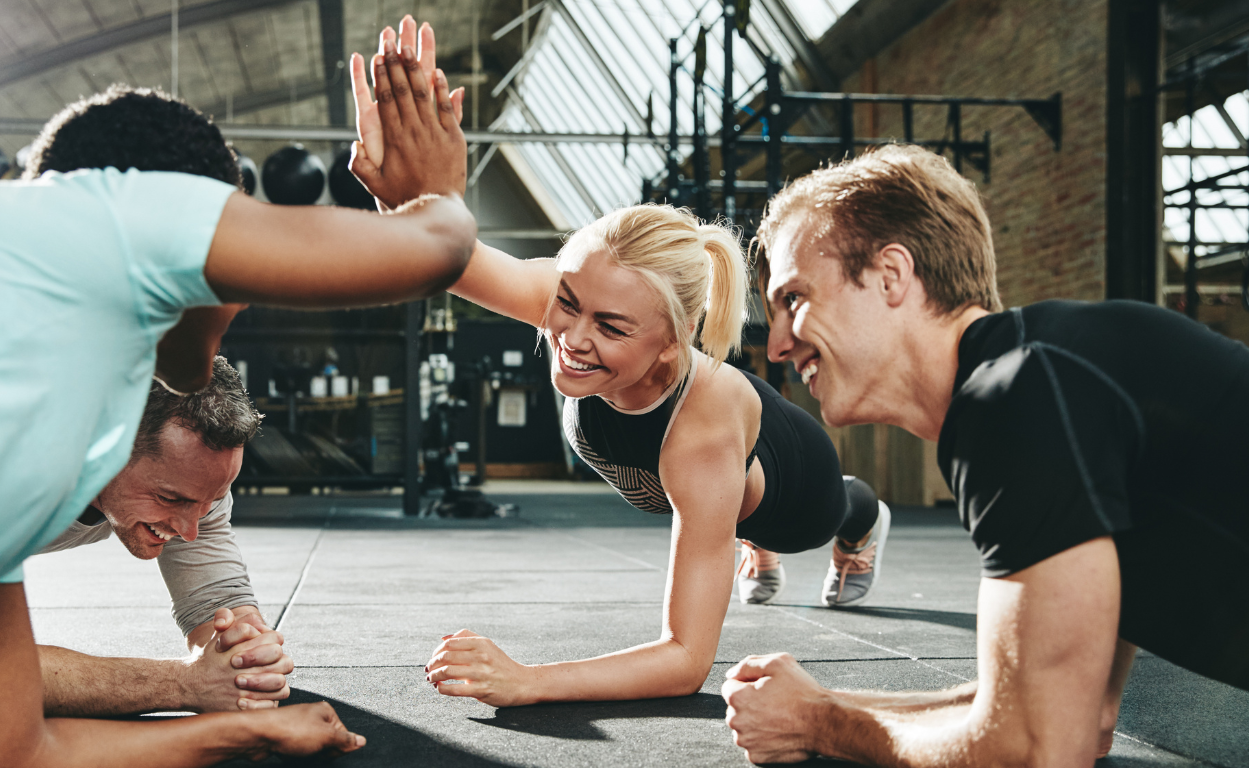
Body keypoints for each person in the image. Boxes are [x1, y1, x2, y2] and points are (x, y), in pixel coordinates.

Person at [0, 68, 474, 767]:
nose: (241, 286)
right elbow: (434, 250)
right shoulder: (102, 215)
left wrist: (246, 724)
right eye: (236, 227)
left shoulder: (4, 407)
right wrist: (433, 193)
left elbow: (8, 751)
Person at [349, 18, 890, 709]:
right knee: (714, 514)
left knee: (827, 509)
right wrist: (404, 196)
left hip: (795, 489)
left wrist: (531, 681)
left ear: (674, 339)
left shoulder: (698, 436)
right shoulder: (571, 304)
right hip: (719, 472)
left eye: (609, 326)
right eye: (567, 302)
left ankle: (855, 523)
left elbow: (685, 660)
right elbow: (446, 254)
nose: (571, 336)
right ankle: (735, 531)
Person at [723, 143, 1249, 766]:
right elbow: (1078, 712)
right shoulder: (1048, 371)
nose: (774, 345)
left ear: (891, 276)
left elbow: (1036, 749)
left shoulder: (1020, 397)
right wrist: (822, 705)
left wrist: (818, 723)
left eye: (793, 299)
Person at [0, 355, 294, 716]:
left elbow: (219, 605)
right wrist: (188, 683)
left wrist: (247, 659)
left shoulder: (194, 481)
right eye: (169, 498)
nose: (190, 530)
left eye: (212, 499)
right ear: (106, 445)